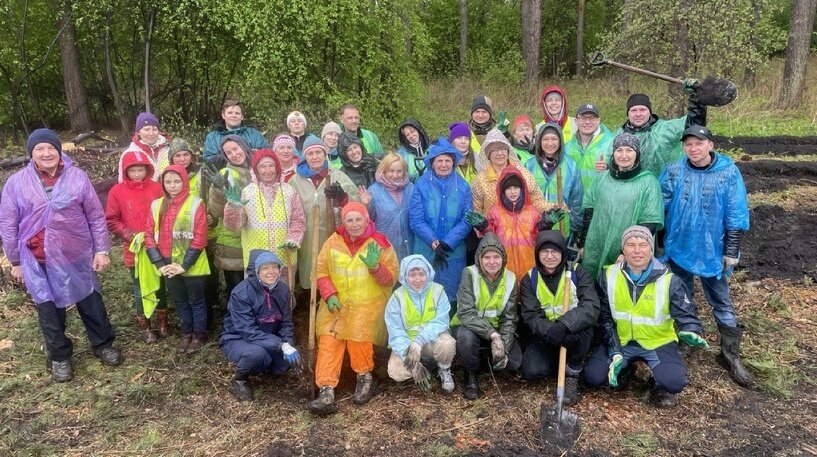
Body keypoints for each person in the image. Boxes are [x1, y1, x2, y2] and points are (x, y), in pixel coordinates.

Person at [1, 129, 123, 382]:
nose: (46, 153)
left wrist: (101, 249)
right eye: (39, 149)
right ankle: (59, 356)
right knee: (49, 309)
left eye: (51, 148)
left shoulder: (77, 177)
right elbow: (8, 223)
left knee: (91, 302)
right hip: (39, 259)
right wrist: (15, 261)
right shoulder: (16, 183)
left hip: (76, 255)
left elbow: (95, 216)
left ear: (59, 151)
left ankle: (103, 344)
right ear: (31, 154)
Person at [660, 125, 754, 387]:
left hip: (713, 249)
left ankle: (730, 354)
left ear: (710, 145)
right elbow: (662, 203)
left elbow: (736, 211)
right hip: (679, 245)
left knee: (721, 300)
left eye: (699, 143)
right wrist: (660, 240)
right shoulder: (675, 170)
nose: (694, 149)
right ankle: (689, 336)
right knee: (682, 295)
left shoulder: (727, 173)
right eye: (689, 144)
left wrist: (731, 249)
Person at [584, 226, 709, 407]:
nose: (637, 251)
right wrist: (615, 352)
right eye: (630, 245)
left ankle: (657, 382)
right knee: (593, 377)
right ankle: (625, 367)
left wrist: (691, 330)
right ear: (623, 250)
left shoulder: (669, 280)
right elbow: (604, 319)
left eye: (643, 245)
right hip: (622, 340)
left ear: (651, 249)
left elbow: (686, 315)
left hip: (657, 342)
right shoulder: (609, 275)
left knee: (673, 382)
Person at [309, 202, 399, 414]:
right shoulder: (332, 242)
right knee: (329, 339)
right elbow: (321, 272)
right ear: (344, 222)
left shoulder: (380, 243)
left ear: (367, 220)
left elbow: (391, 278)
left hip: (368, 305)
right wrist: (329, 295)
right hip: (336, 306)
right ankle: (326, 390)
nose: (354, 224)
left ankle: (365, 378)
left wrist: (375, 268)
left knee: (359, 335)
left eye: (359, 219)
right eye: (350, 220)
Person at [519, 231, 599, 405]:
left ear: (562, 253)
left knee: (585, 331)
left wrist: (564, 325)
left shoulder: (578, 273)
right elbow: (530, 316)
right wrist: (551, 331)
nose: (549, 256)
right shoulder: (529, 279)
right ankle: (559, 361)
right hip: (546, 336)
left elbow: (591, 307)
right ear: (537, 254)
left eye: (555, 251)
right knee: (532, 372)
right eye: (544, 251)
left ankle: (572, 373)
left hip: (574, 332)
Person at [576, 133, 664, 280]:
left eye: (629, 150)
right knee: (593, 287)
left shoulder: (648, 182)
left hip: (630, 252)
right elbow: (589, 210)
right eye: (619, 150)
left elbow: (649, 222)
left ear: (637, 154)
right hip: (596, 245)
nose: (624, 155)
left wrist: (626, 252)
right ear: (613, 153)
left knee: (621, 289)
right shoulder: (601, 178)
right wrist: (583, 242)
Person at [220, 250, 302, 402]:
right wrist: (281, 345)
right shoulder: (241, 293)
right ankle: (240, 380)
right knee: (257, 355)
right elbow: (247, 330)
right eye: (265, 268)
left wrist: (288, 344)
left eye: (274, 267)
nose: (271, 272)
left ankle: (267, 366)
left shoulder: (283, 289)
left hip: (269, 338)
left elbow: (286, 322)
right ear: (256, 271)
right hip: (239, 339)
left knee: (287, 363)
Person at [146, 165, 211, 354]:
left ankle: (199, 334)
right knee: (180, 300)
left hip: (191, 261)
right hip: (166, 262)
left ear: (184, 181)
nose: (172, 185)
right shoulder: (156, 205)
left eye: (176, 181)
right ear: (162, 183)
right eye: (168, 182)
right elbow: (149, 235)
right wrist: (160, 264)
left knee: (196, 300)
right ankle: (186, 333)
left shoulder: (196, 203)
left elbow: (200, 237)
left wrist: (184, 265)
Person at [106, 148, 166, 343]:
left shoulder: (156, 188)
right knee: (140, 286)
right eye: (133, 171)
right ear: (126, 172)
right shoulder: (117, 191)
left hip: (157, 245)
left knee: (160, 283)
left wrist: (157, 235)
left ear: (147, 170)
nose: (137, 174)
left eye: (141, 170)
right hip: (135, 248)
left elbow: (165, 213)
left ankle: (163, 321)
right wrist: (131, 235)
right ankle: (146, 325)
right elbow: (112, 220)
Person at [453, 233, 521, 400]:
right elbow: (466, 313)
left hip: (497, 328)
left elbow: (509, 317)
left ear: (502, 258)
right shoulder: (469, 274)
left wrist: (503, 345)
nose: (492, 262)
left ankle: (490, 360)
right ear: (479, 258)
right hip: (471, 326)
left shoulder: (510, 278)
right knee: (465, 339)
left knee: (515, 362)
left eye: (496, 256)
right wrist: (493, 335)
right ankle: (471, 375)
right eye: (487, 257)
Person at [222, 149, 306, 280]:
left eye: (271, 165)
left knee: (283, 295)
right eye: (263, 166)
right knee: (257, 297)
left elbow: (298, 220)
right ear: (256, 169)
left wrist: (293, 239)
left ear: (277, 167)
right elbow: (234, 226)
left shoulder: (289, 191)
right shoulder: (247, 192)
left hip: (284, 257)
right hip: (256, 258)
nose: (268, 170)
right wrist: (233, 207)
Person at [289, 137, 360, 291]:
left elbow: (356, 205)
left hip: (332, 234)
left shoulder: (337, 176)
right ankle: (310, 298)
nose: (315, 157)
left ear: (325, 154)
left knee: (332, 271)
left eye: (318, 152)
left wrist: (342, 197)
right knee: (310, 270)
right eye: (310, 153)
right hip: (307, 237)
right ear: (304, 156)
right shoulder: (295, 181)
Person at [408, 138, 473, 303]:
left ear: (453, 162)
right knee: (424, 294)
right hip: (426, 248)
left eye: (447, 160)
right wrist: (434, 242)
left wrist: (447, 243)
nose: (443, 164)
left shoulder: (463, 186)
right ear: (432, 162)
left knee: (452, 294)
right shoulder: (421, 185)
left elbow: (467, 219)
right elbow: (416, 220)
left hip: (454, 250)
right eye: (439, 160)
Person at [384, 255, 456, 394]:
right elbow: (395, 331)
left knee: (447, 344)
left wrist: (419, 341)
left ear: (428, 273)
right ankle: (421, 366)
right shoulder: (397, 297)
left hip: (430, 341)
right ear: (405, 276)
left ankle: (444, 369)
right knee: (396, 372)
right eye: (412, 275)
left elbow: (441, 321)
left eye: (422, 274)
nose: (418, 279)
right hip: (407, 343)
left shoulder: (438, 291)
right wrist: (411, 360)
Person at [465, 167, 552, 282]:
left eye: (516, 187)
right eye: (508, 188)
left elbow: (538, 234)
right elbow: (491, 236)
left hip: (530, 263)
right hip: (505, 264)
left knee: (529, 291)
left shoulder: (532, 212)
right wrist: (483, 225)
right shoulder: (494, 212)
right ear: (502, 191)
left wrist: (547, 223)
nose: (512, 192)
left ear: (522, 189)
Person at [169, 139, 220, 328]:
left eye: (186, 154)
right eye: (178, 155)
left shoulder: (202, 172)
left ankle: (211, 305)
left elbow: (214, 196)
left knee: (208, 272)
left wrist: (212, 216)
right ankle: (194, 313)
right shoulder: (170, 176)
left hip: (206, 228)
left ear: (192, 155)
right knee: (189, 272)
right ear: (171, 158)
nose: (182, 159)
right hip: (180, 236)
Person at [615, 91, 706, 177]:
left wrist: (697, 100)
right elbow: (609, 163)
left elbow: (694, 125)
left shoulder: (666, 129)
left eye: (642, 110)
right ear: (628, 113)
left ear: (649, 112)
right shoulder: (618, 135)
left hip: (666, 187)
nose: (638, 114)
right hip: (634, 189)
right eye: (633, 110)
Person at [207, 135, 255, 298]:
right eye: (229, 153)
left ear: (244, 146)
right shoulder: (227, 173)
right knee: (237, 291)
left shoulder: (256, 169)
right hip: (233, 243)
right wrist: (219, 192)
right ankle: (234, 322)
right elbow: (216, 211)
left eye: (236, 149)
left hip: (254, 237)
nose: (234, 154)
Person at [518, 123, 583, 238]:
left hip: (561, 225)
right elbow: (523, 197)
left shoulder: (571, 165)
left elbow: (576, 200)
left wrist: (577, 229)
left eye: (554, 139)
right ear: (539, 142)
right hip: (535, 225)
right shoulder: (530, 165)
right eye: (545, 139)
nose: (550, 143)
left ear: (560, 141)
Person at [470, 128, 548, 214]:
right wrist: (481, 224)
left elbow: (537, 200)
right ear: (488, 154)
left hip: (523, 225)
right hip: (492, 226)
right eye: (495, 150)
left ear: (508, 151)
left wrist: (551, 209)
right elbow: (476, 209)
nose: (500, 153)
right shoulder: (481, 180)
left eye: (503, 149)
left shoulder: (523, 173)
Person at [362, 153, 415, 262]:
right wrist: (365, 205)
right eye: (391, 171)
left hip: (410, 246)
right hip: (385, 247)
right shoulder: (374, 191)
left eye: (399, 171)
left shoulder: (411, 188)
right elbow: (367, 221)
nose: (395, 175)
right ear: (384, 170)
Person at [563, 103, 615, 192]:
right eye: (583, 118)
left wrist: (609, 168)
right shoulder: (568, 147)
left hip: (599, 199)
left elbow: (623, 171)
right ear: (576, 121)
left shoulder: (612, 143)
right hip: (574, 201)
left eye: (591, 118)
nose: (587, 122)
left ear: (598, 120)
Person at [203, 100, 268, 165]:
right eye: (230, 113)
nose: (234, 115)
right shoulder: (212, 137)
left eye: (237, 113)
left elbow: (267, 154)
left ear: (242, 117)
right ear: (223, 115)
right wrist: (231, 156)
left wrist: (247, 154)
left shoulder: (254, 134)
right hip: (224, 174)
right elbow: (208, 159)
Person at [118, 112, 171, 182]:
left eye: (154, 129)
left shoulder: (168, 149)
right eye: (146, 129)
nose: (151, 133)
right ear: (138, 132)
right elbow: (122, 181)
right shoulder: (129, 153)